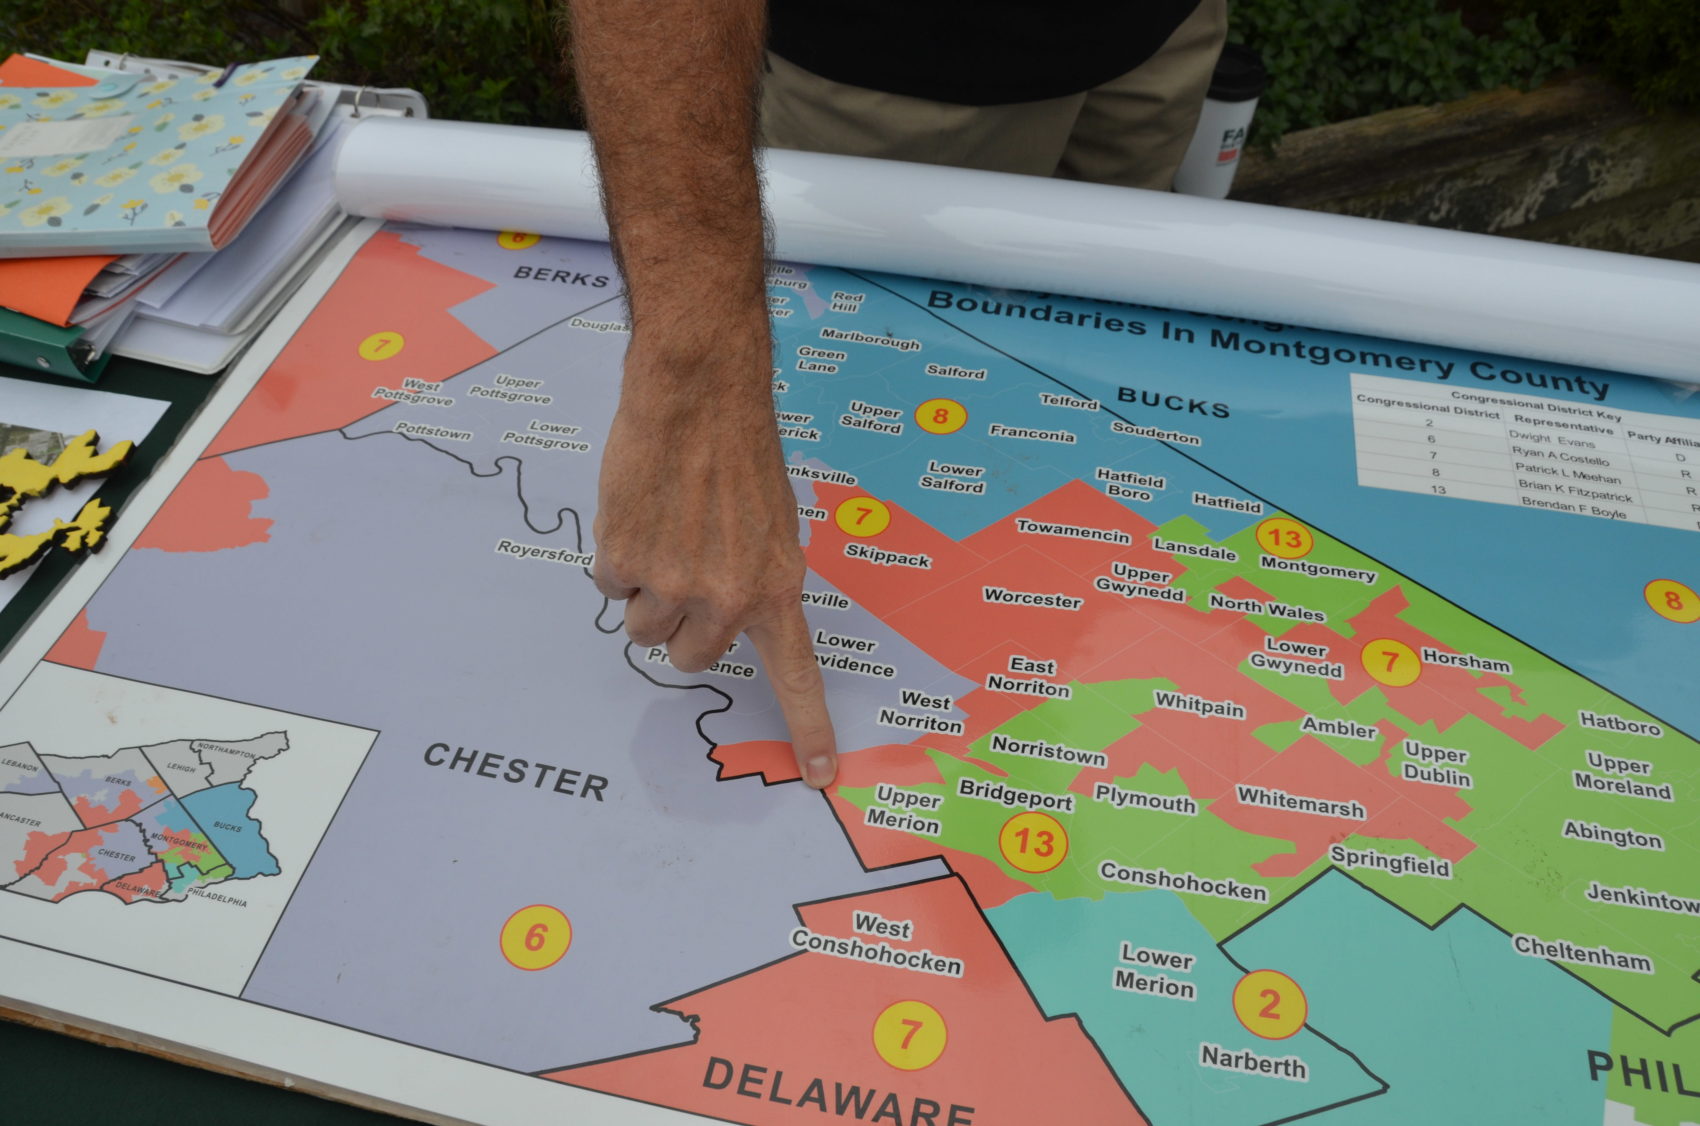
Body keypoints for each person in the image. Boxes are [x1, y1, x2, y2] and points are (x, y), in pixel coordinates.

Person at [567, 0, 1225, 792]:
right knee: (890, 430)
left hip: (1161, 34)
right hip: (908, 71)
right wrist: (694, 385)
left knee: (1074, 370)